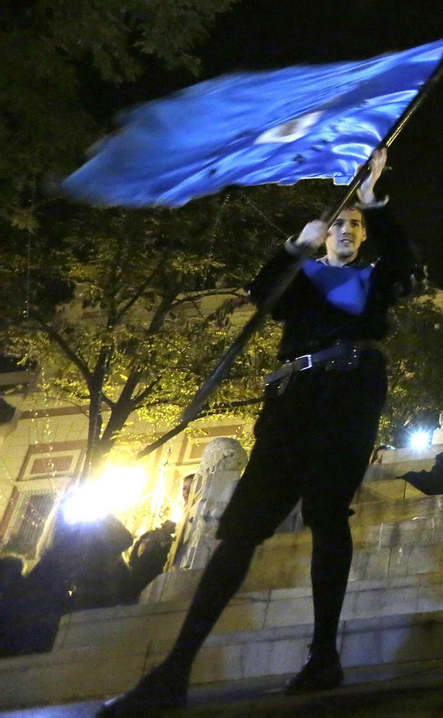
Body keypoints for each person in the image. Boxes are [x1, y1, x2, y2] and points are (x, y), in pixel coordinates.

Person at [100, 148, 415, 716]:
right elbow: (262, 292)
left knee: (326, 513)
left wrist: (376, 199)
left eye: (355, 224)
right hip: (293, 397)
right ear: (323, 235)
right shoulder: (304, 278)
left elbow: (404, 267)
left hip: (349, 391)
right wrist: (294, 247)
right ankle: (176, 668)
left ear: (364, 235)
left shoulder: (375, 277)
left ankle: (323, 653)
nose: (345, 230)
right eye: (338, 223)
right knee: (243, 525)